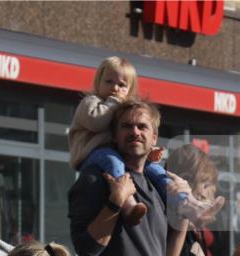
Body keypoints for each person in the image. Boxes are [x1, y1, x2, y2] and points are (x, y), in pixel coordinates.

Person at [68, 100, 187, 256]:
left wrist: (184, 213)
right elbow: (87, 248)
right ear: (114, 135)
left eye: (142, 126)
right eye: (126, 126)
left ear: (154, 137)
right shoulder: (96, 179)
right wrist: (115, 202)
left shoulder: (156, 187)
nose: (135, 132)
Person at [68, 56, 222, 227]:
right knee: (113, 161)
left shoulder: (119, 110)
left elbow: (127, 141)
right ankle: (129, 205)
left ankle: (190, 206)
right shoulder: (91, 102)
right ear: (98, 82)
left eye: (121, 85)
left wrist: (147, 153)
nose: (115, 88)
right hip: (92, 154)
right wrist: (114, 101)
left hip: (114, 154)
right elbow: (96, 122)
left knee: (158, 171)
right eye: (109, 82)